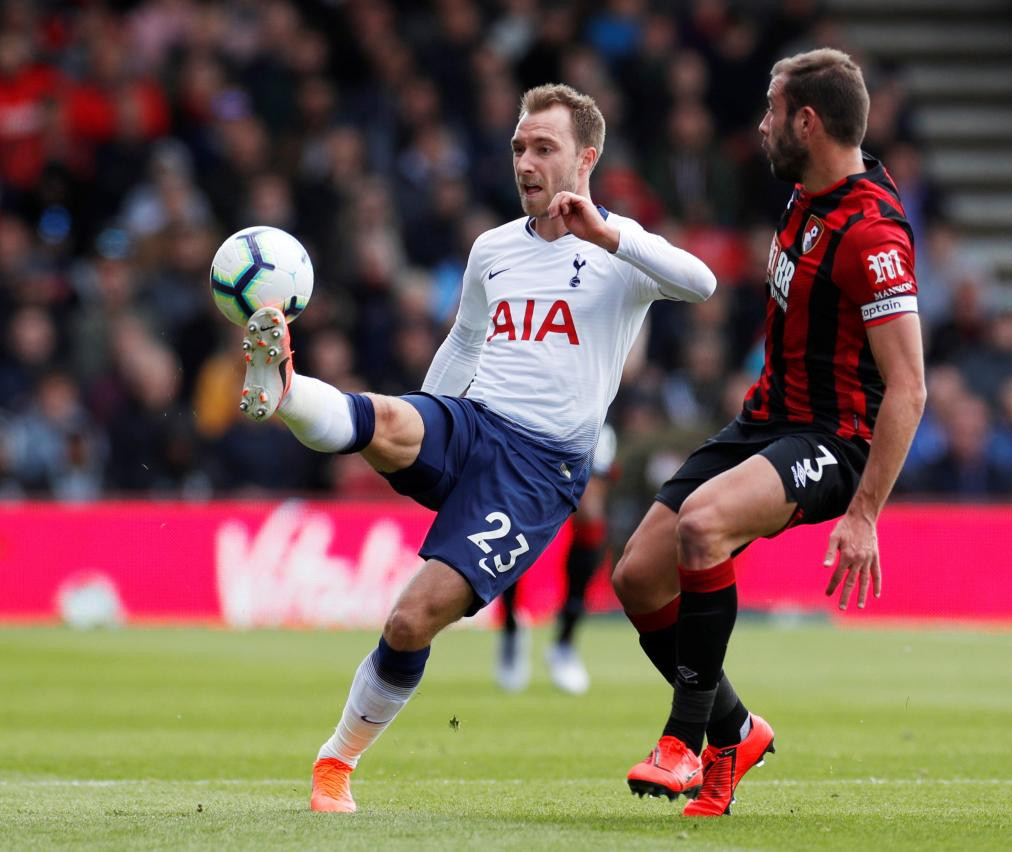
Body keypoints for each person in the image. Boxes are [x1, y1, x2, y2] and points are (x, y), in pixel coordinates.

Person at [232, 83, 715, 813]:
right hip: (472, 421)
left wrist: (609, 233)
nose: (525, 160)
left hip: (537, 470)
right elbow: (463, 341)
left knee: (408, 621)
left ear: (586, 158)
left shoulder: (620, 253)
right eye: (519, 146)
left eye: (543, 147)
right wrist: (427, 411)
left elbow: (703, 283)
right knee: (387, 418)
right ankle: (285, 386)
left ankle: (336, 764)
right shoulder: (493, 248)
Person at [611, 48, 927, 816]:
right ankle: (736, 731)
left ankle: (684, 743)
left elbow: (911, 388)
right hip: (766, 417)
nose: (759, 127)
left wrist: (863, 516)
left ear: (807, 122)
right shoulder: (804, 194)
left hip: (833, 436)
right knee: (637, 578)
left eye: (770, 112)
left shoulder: (873, 235)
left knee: (703, 524)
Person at [496, 422, 616, 695]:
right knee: (517, 514)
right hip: (533, 413)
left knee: (590, 512)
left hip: (586, 414)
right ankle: (511, 627)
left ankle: (565, 641)